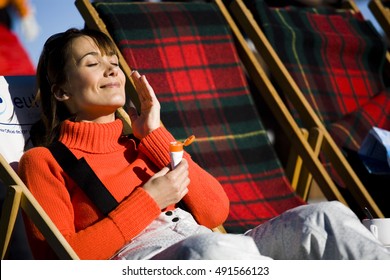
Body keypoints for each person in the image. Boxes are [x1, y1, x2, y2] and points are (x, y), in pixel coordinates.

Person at [18, 28, 390, 260]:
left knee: (325, 217)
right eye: (92, 62)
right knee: (212, 250)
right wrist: (149, 200)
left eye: (113, 61)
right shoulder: (44, 161)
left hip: (217, 247)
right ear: (61, 90)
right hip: (148, 261)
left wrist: (156, 134)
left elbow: (215, 212)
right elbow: (63, 261)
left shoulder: (140, 142)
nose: (112, 69)